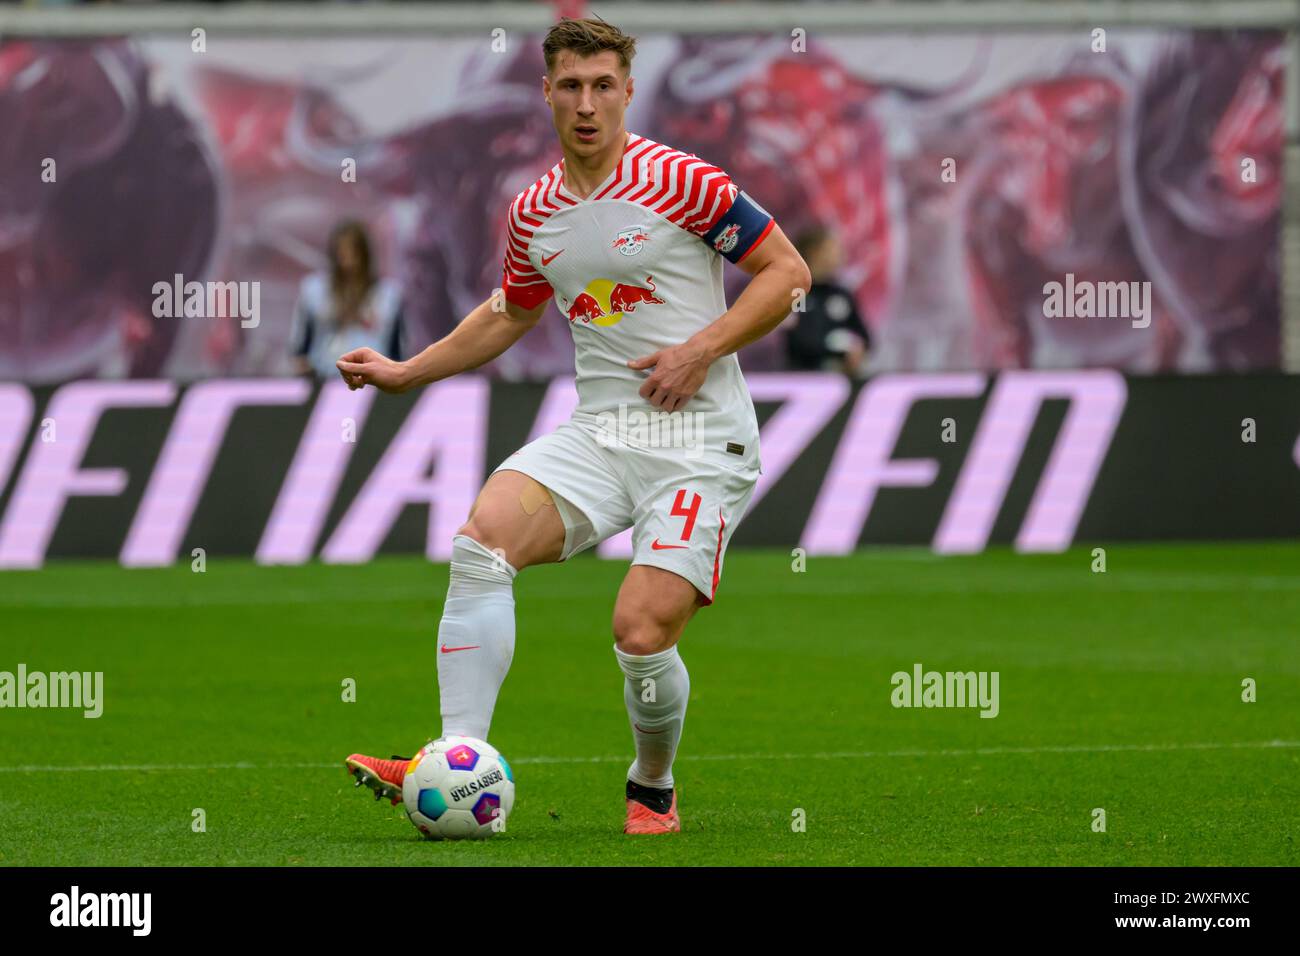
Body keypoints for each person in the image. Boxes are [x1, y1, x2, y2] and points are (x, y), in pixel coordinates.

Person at [337, 18, 809, 835]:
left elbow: (787, 274)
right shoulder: (531, 212)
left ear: (627, 90)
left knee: (639, 629)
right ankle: (455, 759)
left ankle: (652, 783)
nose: (586, 104)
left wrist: (700, 350)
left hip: (699, 443)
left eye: (602, 86)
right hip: (601, 433)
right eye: (570, 86)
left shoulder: (683, 180)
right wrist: (410, 370)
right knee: (483, 540)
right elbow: (508, 313)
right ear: (546, 93)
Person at [289, 221, 404, 378]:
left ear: (364, 255)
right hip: (322, 374)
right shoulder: (315, 291)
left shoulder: (386, 295)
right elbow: (301, 340)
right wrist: (302, 365)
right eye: (342, 253)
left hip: (373, 378)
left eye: (353, 253)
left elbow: (396, 346)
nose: (348, 261)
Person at [783, 226, 871, 376]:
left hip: (841, 376)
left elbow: (865, 337)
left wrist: (856, 349)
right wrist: (836, 351)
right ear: (814, 253)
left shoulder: (842, 295)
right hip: (803, 377)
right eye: (832, 249)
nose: (839, 255)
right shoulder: (798, 293)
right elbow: (801, 342)